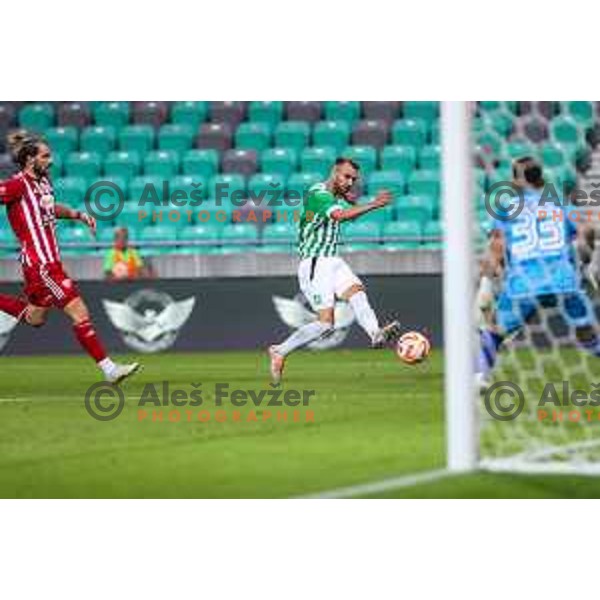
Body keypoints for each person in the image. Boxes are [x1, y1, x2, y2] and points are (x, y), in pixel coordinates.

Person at [0, 130, 140, 384]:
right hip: (41, 265)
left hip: (44, 263)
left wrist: (77, 214)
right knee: (78, 309)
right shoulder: (16, 185)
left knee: (35, 317)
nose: (51, 161)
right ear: (31, 160)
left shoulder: (43, 183)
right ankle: (109, 369)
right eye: (45, 156)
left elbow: (49, 208)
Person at [268, 157, 400, 383]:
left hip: (333, 260)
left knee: (357, 291)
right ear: (334, 172)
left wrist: (346, 197)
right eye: (346, 176)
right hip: (315, 262)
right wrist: (374, 204)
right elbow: (340, 215)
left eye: (353, 179)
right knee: (325, 325)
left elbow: (341, 204)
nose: (350, 182)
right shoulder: (318, 194)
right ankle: (280, 351)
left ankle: (375, 333)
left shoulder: (333, 195)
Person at [476, 156, 597, 391]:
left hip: (524, 284)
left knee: (494, 330)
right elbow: (588, 230)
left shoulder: (508, 208)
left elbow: (496, 249)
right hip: (563, 280)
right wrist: (584, 259)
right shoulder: (559, 202)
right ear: (540, 176)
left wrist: (488, 277)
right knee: (587, 335)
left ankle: (480, 377)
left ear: (516, 179)